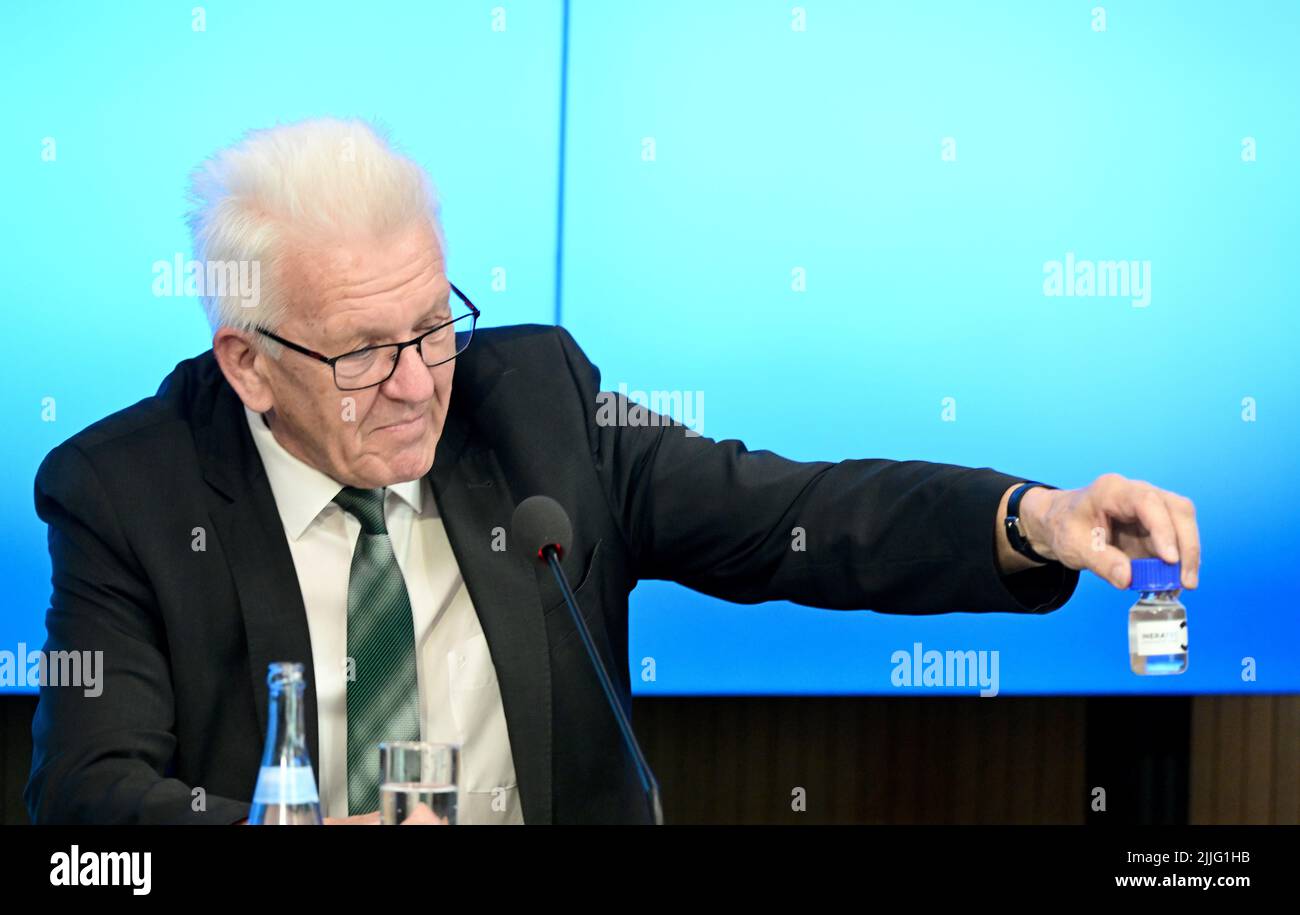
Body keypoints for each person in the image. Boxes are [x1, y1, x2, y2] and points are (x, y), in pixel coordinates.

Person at [25, 118, 1201, 825]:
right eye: (366, 352)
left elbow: (794, 512)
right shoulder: (128, 491)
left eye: (435, 325)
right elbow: (88, 797)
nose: (420, 381)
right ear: (249, 361)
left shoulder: (533, 404)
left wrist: (1033, 517)